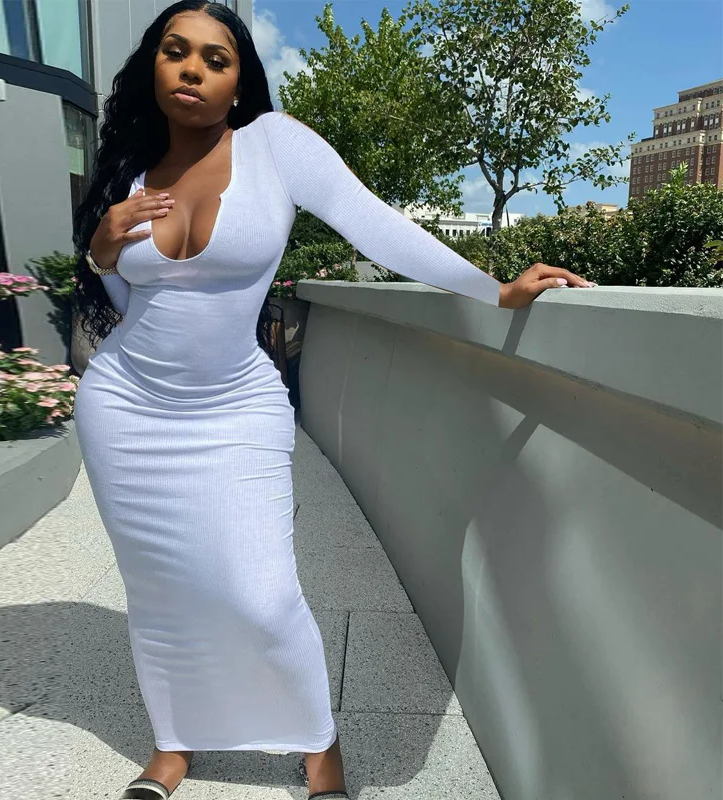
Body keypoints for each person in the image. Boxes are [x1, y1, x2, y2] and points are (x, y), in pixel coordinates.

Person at [71, 3, 595, 799]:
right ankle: (173, 742)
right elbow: (127, 301)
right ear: (154, 66)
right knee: (158, 588)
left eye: (215, 58)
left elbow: (375, 226)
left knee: (263, 595)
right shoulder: (133, 177)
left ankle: (321, 753)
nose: (192, 69)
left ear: (238, 80)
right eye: (176, 51)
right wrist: (103, 250)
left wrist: (492, 290)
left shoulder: (275, 146)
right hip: (124, 409)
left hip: (234, 408)